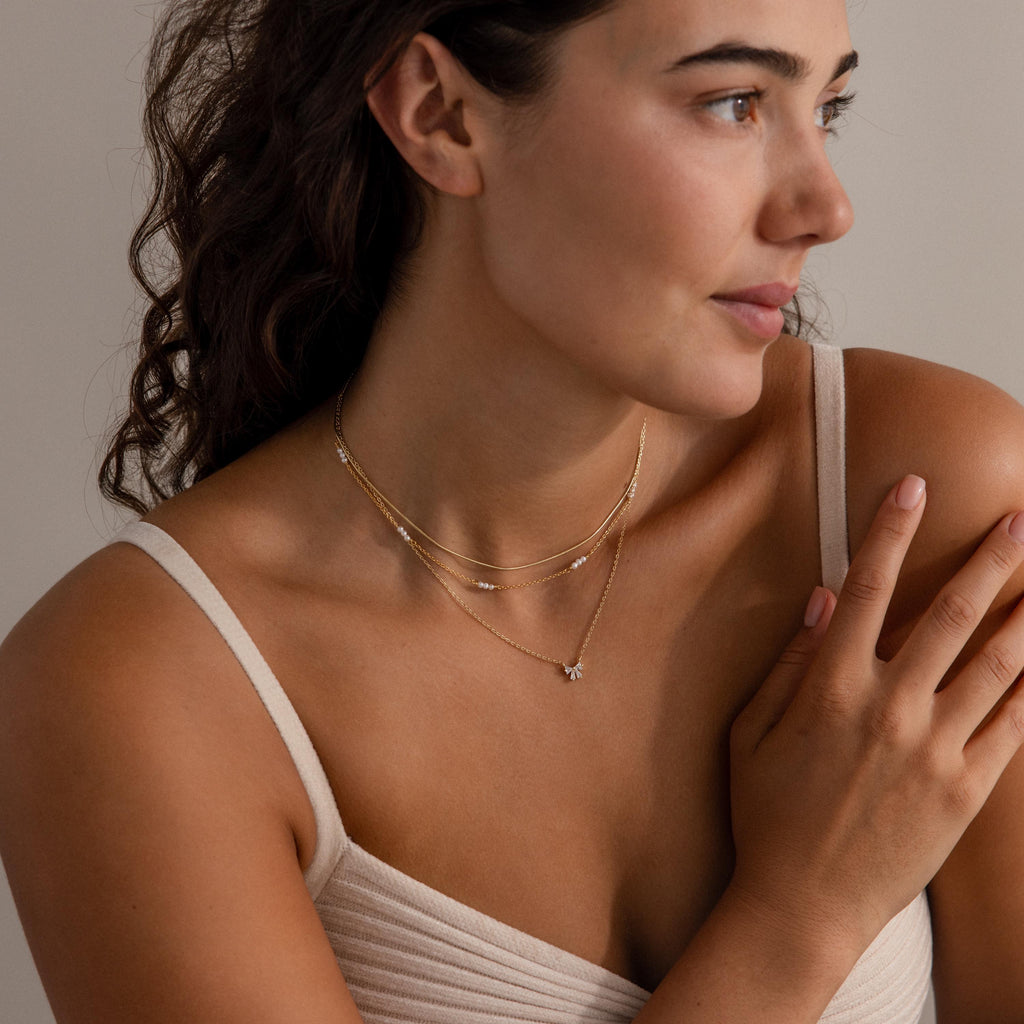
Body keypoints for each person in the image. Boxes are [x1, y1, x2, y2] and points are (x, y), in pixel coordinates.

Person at [1, 0, 1023, 1020]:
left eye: (826, 108)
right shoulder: (143, 683)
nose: (825, 207)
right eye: (732, 103)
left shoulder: (918, 496)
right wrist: (805, 914)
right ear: (440, 114)